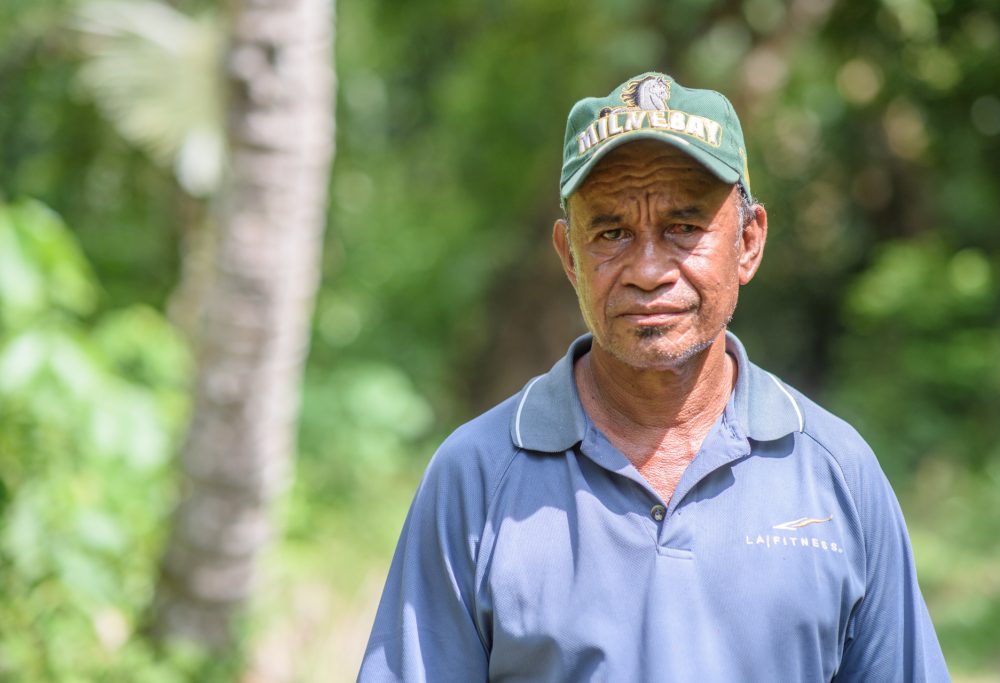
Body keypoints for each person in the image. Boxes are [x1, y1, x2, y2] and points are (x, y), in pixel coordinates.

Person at [357, 72, 950, 682]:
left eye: (684, 229)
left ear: (748, 243)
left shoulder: (835, 472)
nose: (646, 269)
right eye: (612, 233)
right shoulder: (477, 478)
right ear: (569, 257)